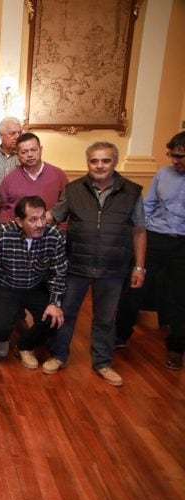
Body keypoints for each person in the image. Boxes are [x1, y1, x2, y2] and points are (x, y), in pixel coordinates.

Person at [48, 142, 146, 386]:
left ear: (115, 161)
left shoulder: (132, 192)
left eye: (105, 161)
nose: (99, 165)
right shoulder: (73, 190)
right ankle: (59, 355)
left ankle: (102, 362)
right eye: (94, 161)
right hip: (76, 264)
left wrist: (139, 267)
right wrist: (29, 220)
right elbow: (53, 217)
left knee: (106, 318)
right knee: (66, 313)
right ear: (87, 162)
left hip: (113, 267)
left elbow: (139, 231)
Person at [0, 196, 66, 364]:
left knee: (54, 319)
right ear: (19, 221)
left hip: (35, 286)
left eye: (42, 218)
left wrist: (54, 303)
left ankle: (24, 346)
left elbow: (58, 272)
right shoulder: (2, 233)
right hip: (5, 286)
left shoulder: (55, 236)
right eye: (33, 220)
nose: (40, 224)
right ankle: (3, 336)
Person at [116, 131, 185, 370]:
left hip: (182, 244)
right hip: (155, 237)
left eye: (179, 156)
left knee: (178, 296)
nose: (174, 160)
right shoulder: (163, 174)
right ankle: (120, 336)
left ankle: (176, 348)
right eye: (172, 155)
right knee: (134, 285)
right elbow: (148, 206)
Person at [0, 133, 68, 224]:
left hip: (51, 232)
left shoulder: (58, 175)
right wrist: (11, 229)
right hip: (18, 233)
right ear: (17, 155)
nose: (30, 155)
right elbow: (1, 208)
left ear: (41, 150)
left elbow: (68, 204)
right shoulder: (9, 179)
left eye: (34, 150)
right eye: (24, 152)